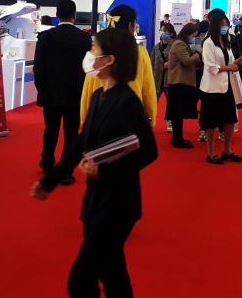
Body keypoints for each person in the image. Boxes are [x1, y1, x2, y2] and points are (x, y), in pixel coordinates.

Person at [31, 27, 158, 298]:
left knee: (81, 280)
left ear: (109, 60)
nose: (89, 55)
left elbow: (148, 150)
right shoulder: (99, 95)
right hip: (96, 201)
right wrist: (51, 180)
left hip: (118, 205)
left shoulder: (127, 101)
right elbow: (81, 142)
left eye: (94, 50)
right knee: (113, 273)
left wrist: (105, 168)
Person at [34, 0, 91, 182]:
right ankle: (66, 172)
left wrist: (42, 89)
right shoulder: (85, 39)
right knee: (71, 133)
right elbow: (89, 68)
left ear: (57, 15)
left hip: (51, 94)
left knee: (50, 130)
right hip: (75, 94)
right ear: (74, 16)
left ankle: (47, 163)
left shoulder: (45, 37)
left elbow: (38, 68)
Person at [80, 5, 158, 129]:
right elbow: (148, 89)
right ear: (131, 25)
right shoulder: (140, 53)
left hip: (99, 116)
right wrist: (151, 117)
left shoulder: (98, 52)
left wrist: (84, 119)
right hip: (131, 115)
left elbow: (88, 88)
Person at [199, 11, 242, 164]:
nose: (225, 27)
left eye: (227, 24)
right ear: (215, 26)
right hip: (211, 88)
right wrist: (229, 68)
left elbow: (231, 63)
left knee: (230, 119)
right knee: (211, 122)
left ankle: (227, 150)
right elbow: (210, 66)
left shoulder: (226, 41)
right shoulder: (208, 43)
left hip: (227, 86)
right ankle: (211, 153)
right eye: (222, 25)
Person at [165, 23, 204, 148]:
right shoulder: (179, 44)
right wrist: (199, 53)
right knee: (177, 113)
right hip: (178, 82)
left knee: (178, 113)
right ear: (187, 34)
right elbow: (187, 61)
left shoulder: (182, 44)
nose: (194, 38)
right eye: (193, 36)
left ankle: (177, 138)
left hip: (181, 82)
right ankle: (178, 139)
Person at [151, 22, 176, 132]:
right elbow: (151, 62)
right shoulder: (156, 46)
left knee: (171, 103)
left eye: (165, 31)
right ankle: (149, 121)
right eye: (161, 30)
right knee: (152, 102)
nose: (162, 33)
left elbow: (180, 61)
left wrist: (171, 64)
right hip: (156, 78)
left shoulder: (175, 45)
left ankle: (170, 122)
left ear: (171, 33)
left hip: (169, 79)